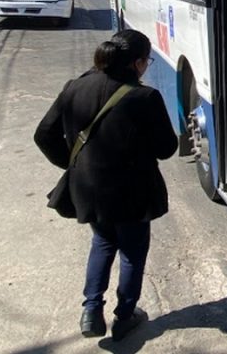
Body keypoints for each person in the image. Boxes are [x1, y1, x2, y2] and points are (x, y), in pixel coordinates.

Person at [34, 29, 177, 342]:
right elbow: (167, 148)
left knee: (102, 242)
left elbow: (43, 134)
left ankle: (91, 308)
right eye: (147, 61)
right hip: (132, 193)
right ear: (138, 63)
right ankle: (125, 316)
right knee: (132, 252)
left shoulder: (75, 87)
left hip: (87, 189)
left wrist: (73, 164)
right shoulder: (144, 97)